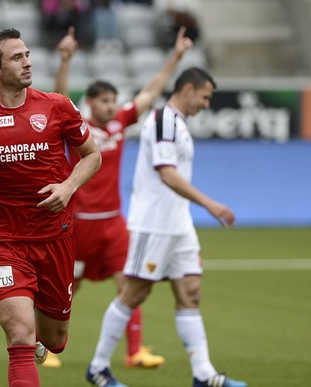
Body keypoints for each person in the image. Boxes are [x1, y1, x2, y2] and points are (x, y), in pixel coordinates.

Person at [0, 28, 101, 386]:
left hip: (55, 239)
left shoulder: (56, 106)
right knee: (20, 336)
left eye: (27, 55)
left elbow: (92, 156)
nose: (27, 62)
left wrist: (68, 186)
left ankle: (46, 338)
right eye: (17, 57)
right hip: (3, 245)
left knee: (54, 340)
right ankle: (28, 342)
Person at [85, 67, 248, 387]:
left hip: (179, 223)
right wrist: (210, 204)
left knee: (190, 291)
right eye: (205, 96)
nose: (206, 104)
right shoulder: (163, 121)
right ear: (188, 89)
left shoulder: (179, 124)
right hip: (154, 224)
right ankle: (98, 367)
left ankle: (204, 374)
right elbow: (167, 173)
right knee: (134, 292)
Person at [42, 26, 193, 371]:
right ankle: (44, 345)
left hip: (113, 224)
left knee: (131, 284)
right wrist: (65, 60)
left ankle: (134, 351)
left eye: (114, 101)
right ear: (91, 102)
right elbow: (59, 94)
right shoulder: (75, 125)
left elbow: (151, 92)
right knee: (65, 288)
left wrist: (176, 56)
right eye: (105, 101)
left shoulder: (120, 124)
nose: (112, 107)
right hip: (77, 225)